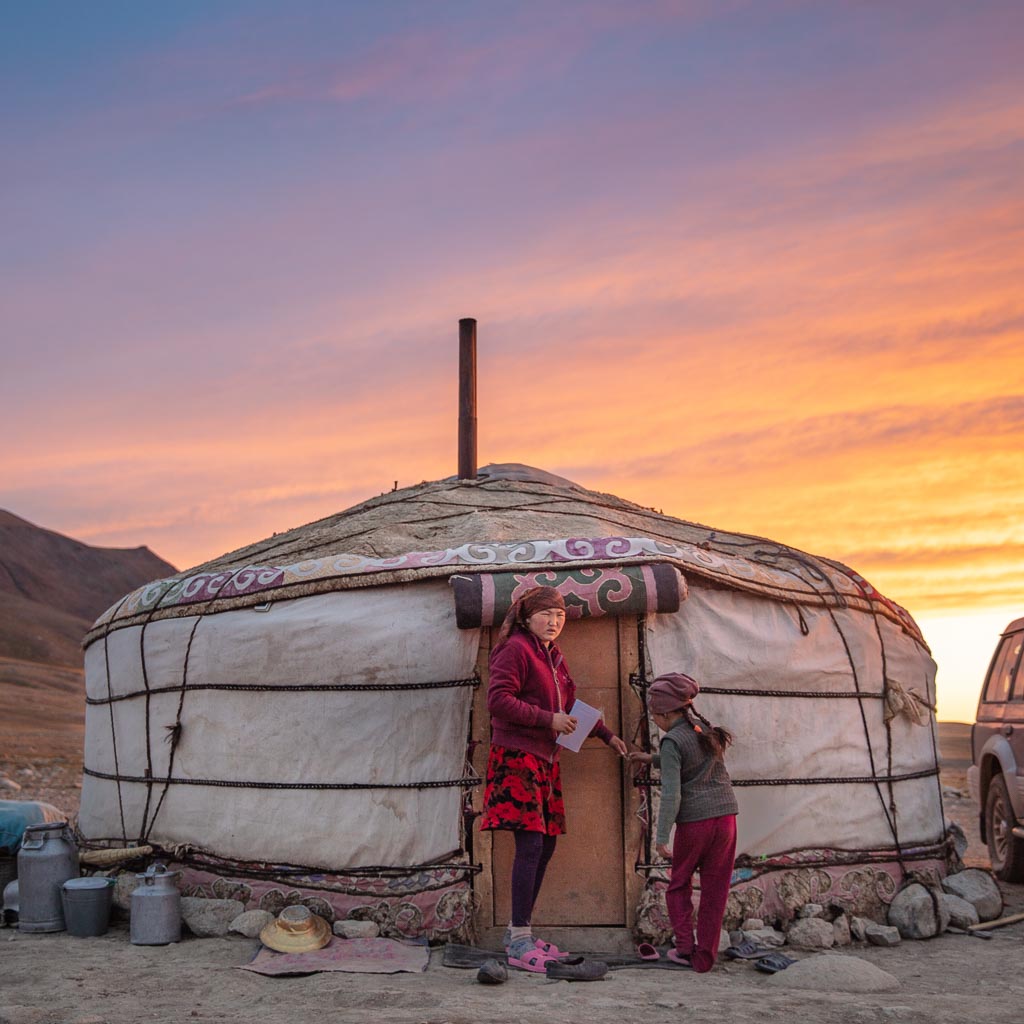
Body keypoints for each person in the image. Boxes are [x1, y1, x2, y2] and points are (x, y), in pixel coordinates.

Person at [480, 585, 628, 972]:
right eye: (546, 614)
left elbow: (568, 708)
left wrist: (607, 735)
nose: (554, 621)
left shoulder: (553, 656)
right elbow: (498, 700)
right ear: (527, 617)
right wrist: (548, 720)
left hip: (544, 760)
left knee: (544, 848)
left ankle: (520, 933)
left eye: (560, 616)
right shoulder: (516, 649)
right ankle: (519, 940)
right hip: (517, 759)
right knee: (530, 846)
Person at [630, 672, 737, 972]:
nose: (656, 721)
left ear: (665, 712)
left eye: (655, 716)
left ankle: (684, 949)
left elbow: (672, 792)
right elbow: (691, 759)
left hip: (696, 823)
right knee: (716, 889)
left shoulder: (672, 739)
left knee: (678, 886)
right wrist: (651, 758)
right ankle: (705, 957)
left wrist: (661, 837)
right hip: (726, 819)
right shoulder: (702, 728)